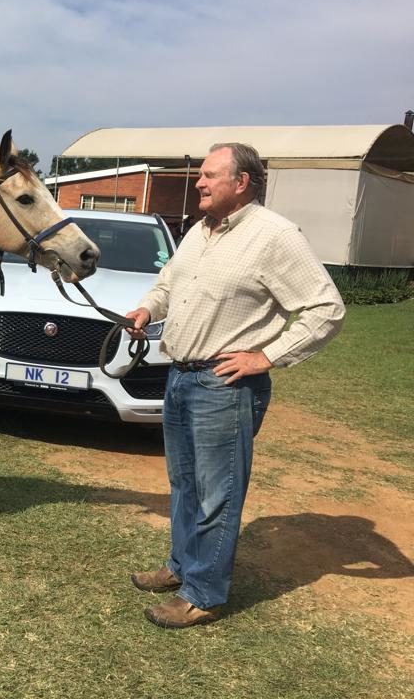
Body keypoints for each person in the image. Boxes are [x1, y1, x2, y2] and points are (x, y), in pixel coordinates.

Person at [124, 142, 345, 629]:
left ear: (241, 182)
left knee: (216, 494)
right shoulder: (199, 231)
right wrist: (147, 309)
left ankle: (203, 593)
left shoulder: (275, 236)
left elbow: (326, 308)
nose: (198, 183)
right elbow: (168, 284)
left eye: (208, 175)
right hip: (180, 376)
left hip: (224, 386)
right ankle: (180, 566)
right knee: (184, 484)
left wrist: (266, 356)